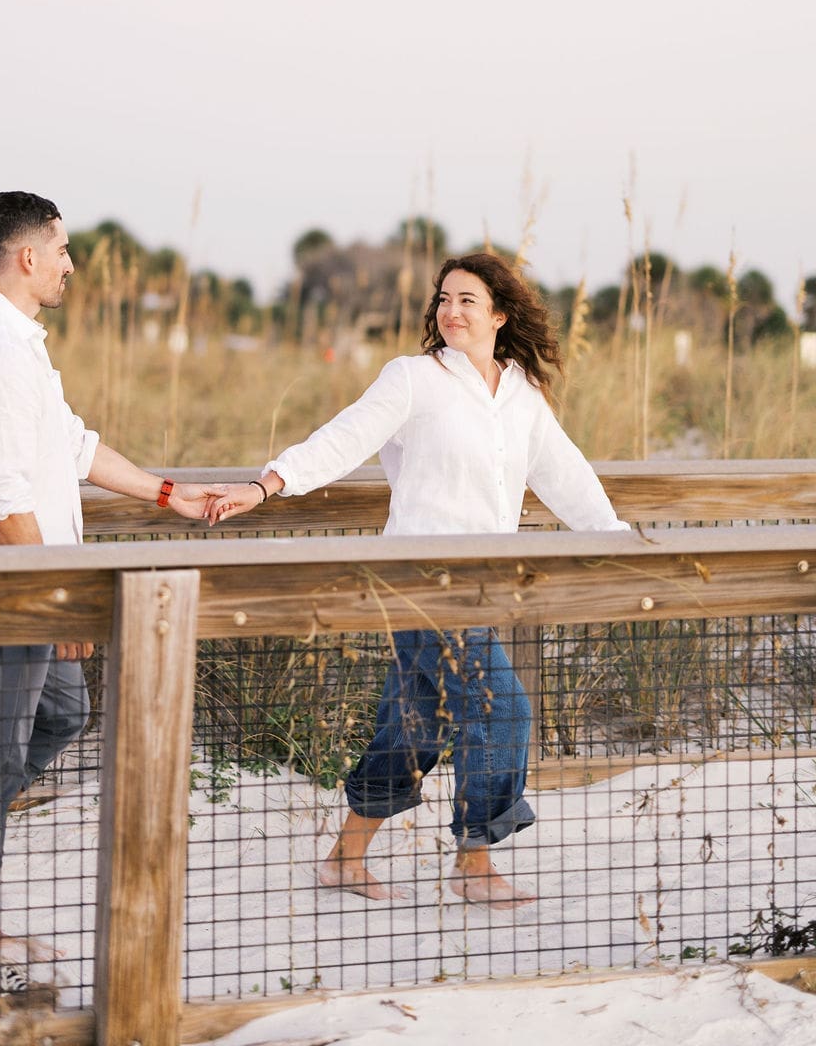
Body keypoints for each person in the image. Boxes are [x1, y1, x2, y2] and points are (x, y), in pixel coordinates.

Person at [208, 252, 629, 906]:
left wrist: (619, 546)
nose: (450, 310)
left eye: (467, 299)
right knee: (505, 709)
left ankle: (345, 859)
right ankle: (474, 864)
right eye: (443, 299)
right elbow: (343, 439)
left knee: (415, 728)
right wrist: (267, 484)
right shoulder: (413, 378)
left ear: (499, 313)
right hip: (417, 585)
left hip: (481, 589)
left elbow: (566, 477)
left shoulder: (522, 395)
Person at [0, 190, 213, 961]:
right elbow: (0, 495)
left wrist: (169, 494)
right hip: (3, 593)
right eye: (64, 249)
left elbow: (72, 447)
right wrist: (59, 605)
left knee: (59, 717)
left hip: (25, 586)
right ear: (28, 257)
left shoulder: (18, 344)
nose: (72, 264)